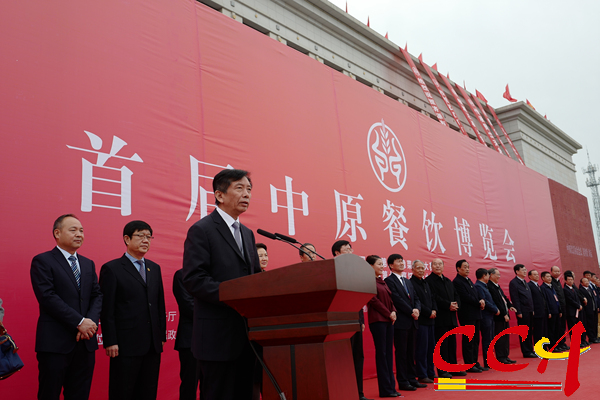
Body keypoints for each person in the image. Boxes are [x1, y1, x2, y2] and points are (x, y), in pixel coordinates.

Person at [182, 169, 261, 400]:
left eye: (249, 189)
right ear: (219, 195)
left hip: (248, 338)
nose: (246, 194)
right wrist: (235, 295)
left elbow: (255, 277)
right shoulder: (202, 230)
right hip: (217, 339)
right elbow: (194, 279)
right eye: (239, 188)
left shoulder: (247, 233)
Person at [30, 214, 102, 400]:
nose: (79, 234)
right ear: (57, 233)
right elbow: (47, 297)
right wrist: (79, 322)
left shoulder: (88, 264)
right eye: (73, 230)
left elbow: (97, 295)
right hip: (55, 343)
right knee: (49, 394)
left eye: (81, 230)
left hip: (85, 343)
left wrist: (90, 322)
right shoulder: (43, 261)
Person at [100, 220, 167, 400]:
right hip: (125, 345)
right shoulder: (112, 268)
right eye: (141, 236)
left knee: (148, 392)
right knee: (123, 392)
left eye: (149, 237)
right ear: (127, 239)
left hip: (152, 345)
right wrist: (110, 341)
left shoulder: (154, 268)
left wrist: (161, 336)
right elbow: (107, 309)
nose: (146, 240)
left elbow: (159, 304)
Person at [331, 240, 370, 400]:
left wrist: (361, 320)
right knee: (342, 360)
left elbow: (358, 299)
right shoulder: (331, 270)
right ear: (337, 253)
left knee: (357, 357)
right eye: (346, 249)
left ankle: (358, 393)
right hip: (338, 323)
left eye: (350, 249)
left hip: (355, 321)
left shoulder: (355, 272)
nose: (350, 252)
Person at [385, 254, 423, 391]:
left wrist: (417, 309)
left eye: (402, 261)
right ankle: (403, 381)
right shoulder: (389, 281)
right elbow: (396, 299)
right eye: (398, 261)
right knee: (402, 352)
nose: (401, 263)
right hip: (401, 322)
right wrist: (411, 311)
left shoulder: (407, 281)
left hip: (413, 321)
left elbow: (416, 298)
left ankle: (412, 378)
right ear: (391, 265)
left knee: (411, 352)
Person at [365, 255, 397, 398]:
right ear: (370, 266)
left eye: (382, 264)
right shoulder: (368, 281)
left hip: (388, 320)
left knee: (388, 353)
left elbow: (390, 300)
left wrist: (394, 312)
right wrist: (388, 313)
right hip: (378, 321)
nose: (382, 266)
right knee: (382, 354)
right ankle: (385, 389)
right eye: (379, 264)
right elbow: (373, 300)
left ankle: (391, 387)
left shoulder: (382, 281)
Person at [425, 258, 462, 378]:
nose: (438, 266)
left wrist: (456, 304)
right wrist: (448, 305)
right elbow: (434, 297)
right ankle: (442, 370)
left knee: (452, 344)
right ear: (431, 266)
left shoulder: (447, 280)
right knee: (442, 345)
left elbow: (456, 294)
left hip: (451, 317)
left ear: (443, 266)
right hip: (440, 318)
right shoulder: (429, 281)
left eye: (440, 264)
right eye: (435, 264)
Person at [453, 259, 485, 372]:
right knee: (468, 341)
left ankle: (474, 362)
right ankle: (469, 364)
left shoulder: (469, 280)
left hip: (476, 314)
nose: (467, 269)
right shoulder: (457, 282)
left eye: (468, 267)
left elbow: (476, 294)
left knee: (475, 340)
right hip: (467, 315)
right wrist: (478, 302)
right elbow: (465, 297)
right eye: (465, 267)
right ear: (458, 269)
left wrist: (481, 300)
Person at [173, 268, 200, 400]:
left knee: (212, 386)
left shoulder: (213, 274)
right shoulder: (181, 275)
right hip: (190, 339)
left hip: (213, 339)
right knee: (190, 385)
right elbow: (188, 306)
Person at [410, 260, 437, 384]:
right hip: (421, 321)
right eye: (418, 268)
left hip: (431, 320)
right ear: (412, 269)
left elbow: (432, 298)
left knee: (431, 348)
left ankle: (431, 372)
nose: (421, 270)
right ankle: (422, 374)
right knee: (421, 349)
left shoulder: (426, 283)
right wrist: (428, 312)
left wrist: (434, 310)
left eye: (422, 268)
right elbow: (417, 301)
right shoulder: (411, 283)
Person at [487, 268, 516, 364]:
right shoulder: (489, 286)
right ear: (491, 275)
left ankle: (505, 355)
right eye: (497, 275)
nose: (499, 277)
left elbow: (504, 298)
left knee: (505, 337)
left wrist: (510, 306)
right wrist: (504, 314)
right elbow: (496, 302)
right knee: (500, 337)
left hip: (504, 315)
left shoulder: (497, 286)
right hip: (499, 316)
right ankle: (500, 357)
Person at [509, 264, 536, 358]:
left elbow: (530, 297)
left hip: (529, 310)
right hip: (522, 311)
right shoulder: (514, 283)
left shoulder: (524, 281)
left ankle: (530, 349)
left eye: (525, 270)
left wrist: (532, 309)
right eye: (523, 270)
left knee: (530, 331)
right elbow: (515, 298)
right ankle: (526, 351)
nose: (525, 271)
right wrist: (519, 312)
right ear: (517, 271)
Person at [474, 268, 498, 369]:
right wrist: (495, 309)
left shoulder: (484, 286)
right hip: (485, 316)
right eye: (488, 275)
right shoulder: (478, 286)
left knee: (490, 339)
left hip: (489, 316)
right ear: (484, 276)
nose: (489, 277)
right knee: (487, 340)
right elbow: (485, 301)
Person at [540, 271, 562, 351]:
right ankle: (552, 346)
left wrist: (560, 310)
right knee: (551, 330)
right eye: (547, 277)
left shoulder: (552, 286)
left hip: (556, 311)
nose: (549, 278)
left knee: (557, 329)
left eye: (550, 276)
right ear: (543, 278)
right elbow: (545, 301)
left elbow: (557, 299)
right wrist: (548, 312)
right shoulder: (543, 288)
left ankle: (557, 345)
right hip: (551, 312)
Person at [563, 271, 584, 347]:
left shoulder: (574, 289)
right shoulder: (565, 289)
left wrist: (580, 305)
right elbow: (570, 300)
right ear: (565, 281)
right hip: (571, 312)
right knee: (572, 327)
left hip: (577, 311)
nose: (570, 281)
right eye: (569, 279)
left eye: (571, 279)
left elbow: (577, 298)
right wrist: (578, 306)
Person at [550, 266, 569, 351]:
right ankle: (556, 344)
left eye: (558, 271)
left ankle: (562, 343)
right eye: (555, 271)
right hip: (557, 308)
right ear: (551, 272)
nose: (557, 273)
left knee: (562, 327)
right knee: (556, 328)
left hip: (563, 307)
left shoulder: (558, 281)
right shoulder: (551, 282)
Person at [579, 277, 597, 344]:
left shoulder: (590, 289)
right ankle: (591, 338)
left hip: (593, 308)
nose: (587, 282)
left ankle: (594, 337)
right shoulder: (581, 290)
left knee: (594, 323)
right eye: (585, 281)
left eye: (587, 281)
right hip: (587, 310)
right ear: (582, 283)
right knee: (589, 324)